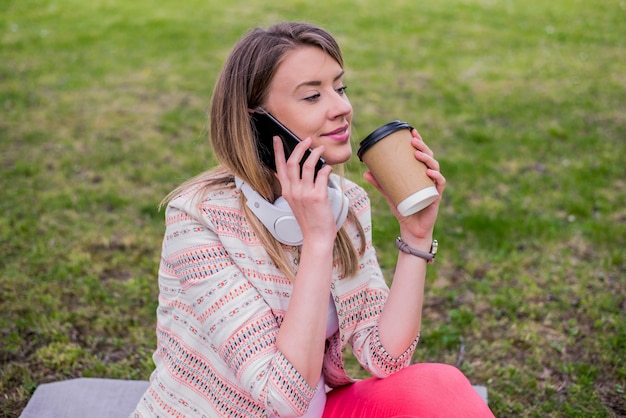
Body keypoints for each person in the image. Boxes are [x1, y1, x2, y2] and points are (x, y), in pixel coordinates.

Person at [132, 21, 494, 418]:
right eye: (312, 96)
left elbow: (385, 357)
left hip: (317, 410)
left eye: (340, 88)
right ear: (257, 122)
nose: (342, 107)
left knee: (438, 385)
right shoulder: (197, 220)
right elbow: (282, 401)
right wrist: (317, 241)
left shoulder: (345, 202)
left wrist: (417, 237)